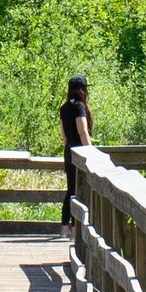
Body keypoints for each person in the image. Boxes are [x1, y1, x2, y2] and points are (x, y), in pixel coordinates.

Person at [59, 75, 92, 233]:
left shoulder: (64, 107)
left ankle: (65, 227)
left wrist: (67, 151)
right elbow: (83, 132)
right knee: (79, 191)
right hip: (80, 152)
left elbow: (64, 135)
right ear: (82, 90)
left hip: (69, 151)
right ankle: (76, 227)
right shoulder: (79, 106)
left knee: (70, 189)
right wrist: (91, 152)